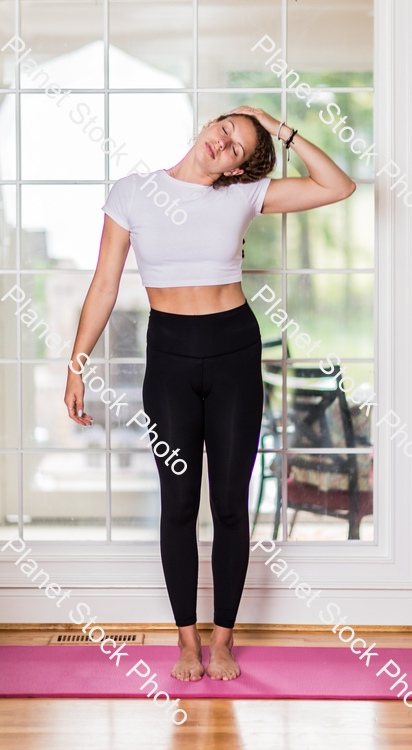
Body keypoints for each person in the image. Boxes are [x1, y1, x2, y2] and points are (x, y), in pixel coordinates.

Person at [64, 106, 356, 682]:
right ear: (206, 126)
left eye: (239, 149)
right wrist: (77, 366)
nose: (225, 144)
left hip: (234, 355)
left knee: (228, 505)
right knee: (177, 506)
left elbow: (338, 186)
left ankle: (223, 641)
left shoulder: (242, 196)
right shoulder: (132, 193)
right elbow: (103, 284)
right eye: (225, 130)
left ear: (237, 169)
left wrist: (274, 127)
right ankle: (187, 643)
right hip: (169, 358)